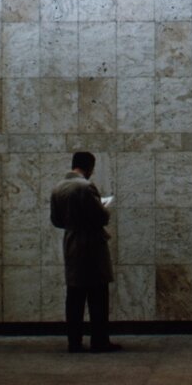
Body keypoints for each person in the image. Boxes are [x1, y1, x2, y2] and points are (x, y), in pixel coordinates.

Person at [50, 151, 121, 353]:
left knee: (74, 295)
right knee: (98, 294)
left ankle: (74, 341)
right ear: (89, 166)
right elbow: (101, 217)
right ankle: (99, 340)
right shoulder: (85, 187)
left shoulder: (58, 188)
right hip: (91, 244)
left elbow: (56, 220)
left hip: (71, 243)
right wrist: (104, 207)